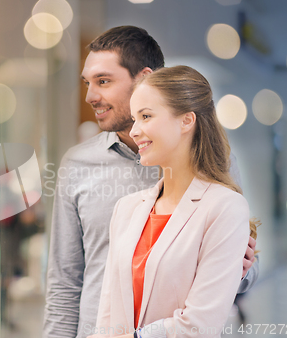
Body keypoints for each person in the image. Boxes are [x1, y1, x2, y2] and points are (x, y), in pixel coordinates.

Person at [43, 26, 258, 338]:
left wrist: (235, 266)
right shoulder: (79, 166)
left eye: (103, 81)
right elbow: (64, 282)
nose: (90, 96)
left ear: (143, 78)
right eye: (87, 83)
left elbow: (242, 275)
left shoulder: (217, 170)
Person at [91, 65, 253, 338]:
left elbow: (199, 327)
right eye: (134, 118)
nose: (134, 131)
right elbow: (107, 317)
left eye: (146, 116)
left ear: (187, 121)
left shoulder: (224, 207)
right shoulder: (127, 209)